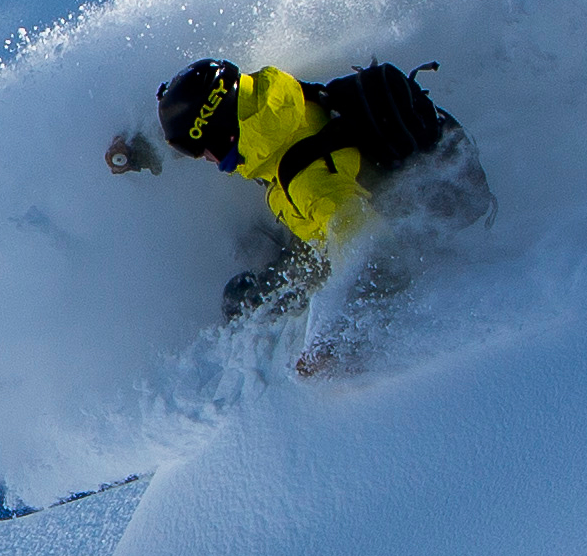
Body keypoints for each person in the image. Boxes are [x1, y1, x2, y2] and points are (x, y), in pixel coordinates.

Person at [104, 56, 488, 372]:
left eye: (199, 148)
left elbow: (368, 249)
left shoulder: (310, 181)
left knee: (243, 299)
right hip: (317, 218)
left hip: (366, 229)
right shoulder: (271, 110)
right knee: (249, 240)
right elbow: (202, 124)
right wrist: (139, 152)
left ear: (222, 132)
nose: (201, 158)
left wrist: (326, 342)